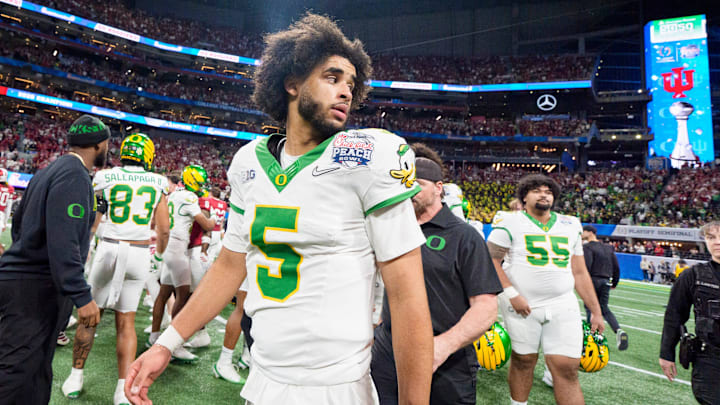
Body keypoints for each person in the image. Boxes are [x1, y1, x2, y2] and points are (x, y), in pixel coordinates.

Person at [125, 13, 433, 405]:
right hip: (262, 379)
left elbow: (407, 298)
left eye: (351, 85)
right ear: (291, 83)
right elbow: (229, 265)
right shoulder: (248, 162)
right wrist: (166, 343)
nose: (345, 93)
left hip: (335, 389)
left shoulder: (371, 157)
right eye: (332, 77)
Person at [371, 143, 502, 404]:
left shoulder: (464, 236)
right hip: (388, 352)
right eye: (404, 184)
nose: (409, 190)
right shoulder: (390, 228)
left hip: (447, 358)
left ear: (438, 188)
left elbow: (486, 307)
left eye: (417, 183)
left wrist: (441, 347)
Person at [0, 114, 107, 404]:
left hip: (24, 278)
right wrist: (81, 295)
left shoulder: (49, 170)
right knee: (17, 371)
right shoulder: (74, 175)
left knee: (35, 370)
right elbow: (64, 241)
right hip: (34, 286)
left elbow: (19, 226)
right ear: (99, 145)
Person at [60, 133, 171, 405]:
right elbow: (164, 228)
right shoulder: (159, 182)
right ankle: (122, 389)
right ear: (148, 155)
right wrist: (160, 254)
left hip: (108, 248)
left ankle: (76, 375)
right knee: (127, 322)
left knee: (88, 315)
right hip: (138, 252)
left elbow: (94, 217)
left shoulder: (105, 176)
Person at [486, 174, 604, 405]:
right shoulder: (508, 222)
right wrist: (511, 295)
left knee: (568, 367)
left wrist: (596, 311)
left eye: (548, 191)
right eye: (537, 190)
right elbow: (489, 261)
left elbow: (579, 272)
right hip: (521, 305)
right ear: (524, 196)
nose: (544, 194)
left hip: (562, 303)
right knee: (524, 360)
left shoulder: (570, 224)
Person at [147, 165, 215, 362]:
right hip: (177, 248)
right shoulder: (190, 197)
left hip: (169, 247)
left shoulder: (174, 195)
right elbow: (206, 224)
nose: (202, 186)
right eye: (200, 182)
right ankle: (172, 344)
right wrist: (215, 221)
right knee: (183, 296)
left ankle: (154, 337)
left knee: (164, 293)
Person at [659, 221, 720, 404]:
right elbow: (674, 315)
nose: (717, 242)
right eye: (711, 237)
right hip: (709, 360)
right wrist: (666, 353)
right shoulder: (693, 275)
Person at [581, 225, 628, 351]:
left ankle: (591, 339)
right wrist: (614, 283)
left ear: (590, 232)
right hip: (606, 281)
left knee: (590, 308)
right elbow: (616, 267)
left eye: (583, 231)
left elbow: (587, 266)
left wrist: (584, 283)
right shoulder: (608, 248)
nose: (581, 234)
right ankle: (618, 330)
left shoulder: (587, 247)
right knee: (604, 309)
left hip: (593, 280)